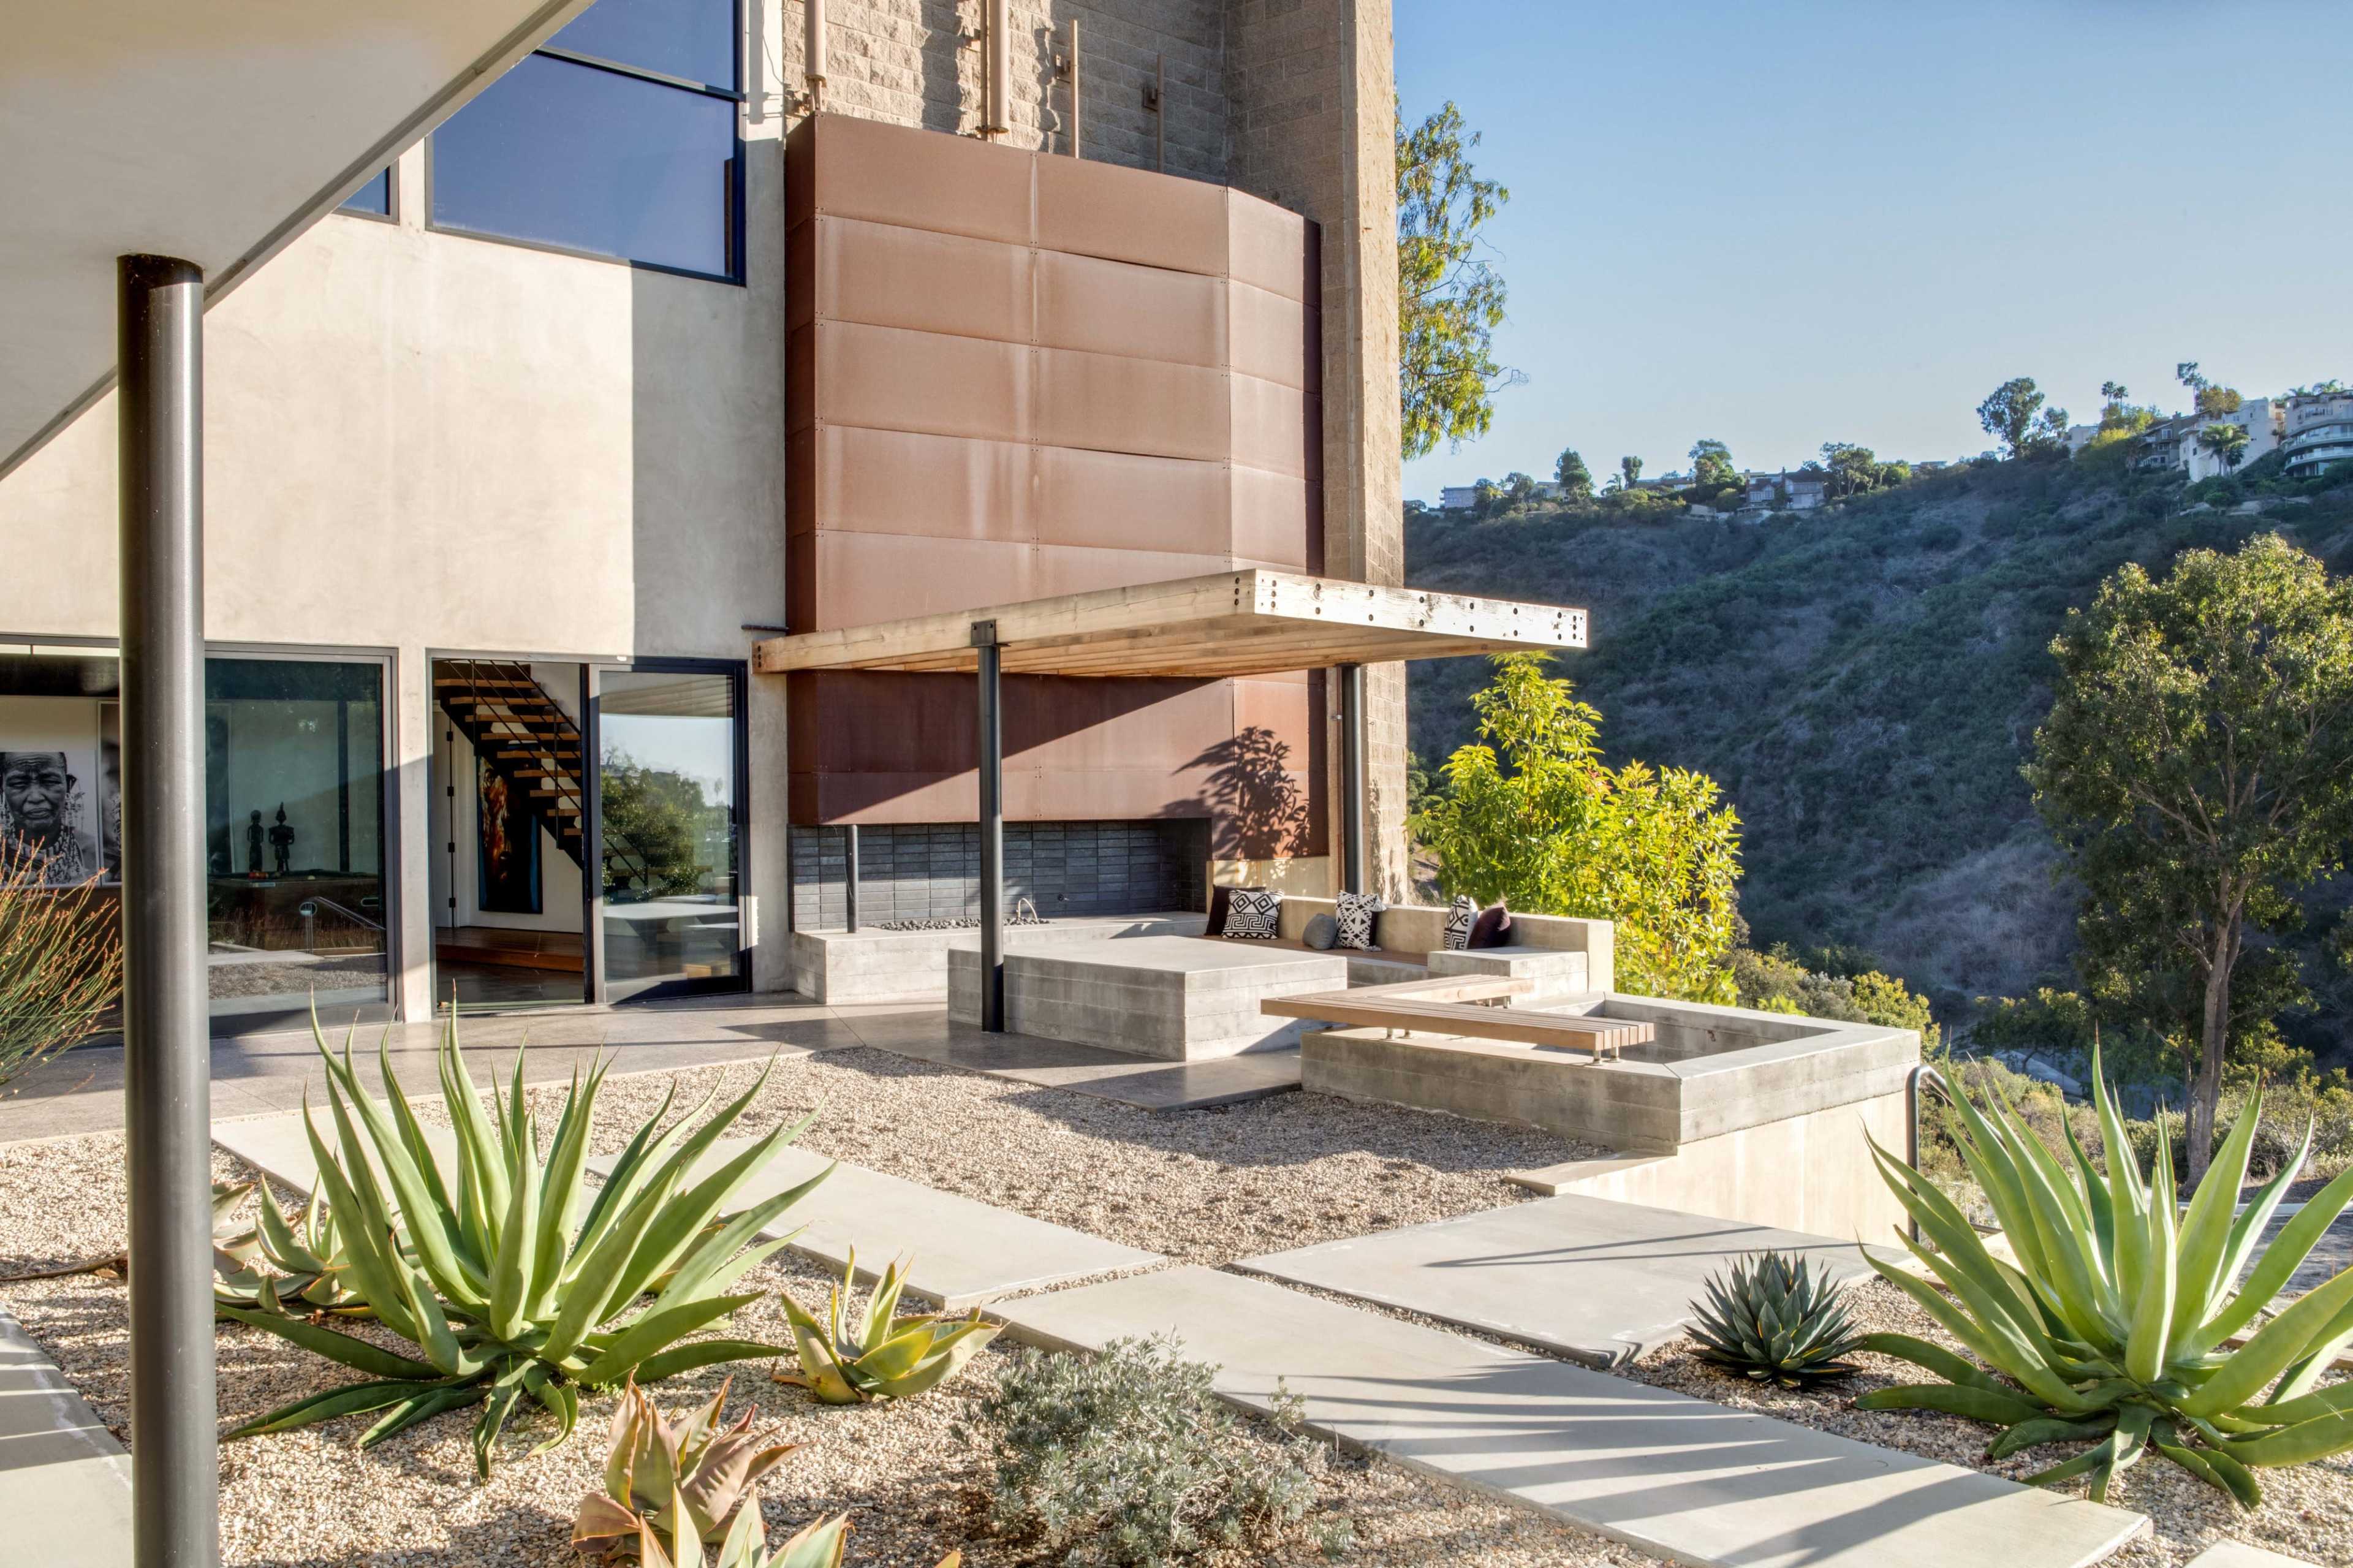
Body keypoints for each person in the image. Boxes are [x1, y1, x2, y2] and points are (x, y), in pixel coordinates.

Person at [0, 750, 100, 885]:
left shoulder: (95, 855)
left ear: (69, 785)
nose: (36, 797)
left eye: (50, 781)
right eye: (19, 784)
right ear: (2, 789)